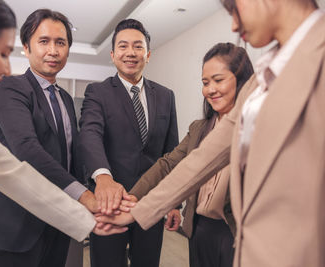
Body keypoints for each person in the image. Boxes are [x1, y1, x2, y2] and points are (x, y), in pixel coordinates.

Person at [97, 0, 325, 266]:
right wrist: (136, 210)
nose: (234, 25)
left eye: (234, 9)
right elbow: (199, 160)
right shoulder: (260, 80)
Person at [0, 1, 126, 266]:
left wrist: (88, 218)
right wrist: (86, 200)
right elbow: (27, 151)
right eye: (2, 54)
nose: (7, 70)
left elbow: (18, 178)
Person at [0, 9, 100, 267]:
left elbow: (72, 155)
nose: (53, 51)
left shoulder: (66, 99)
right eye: (44, 41)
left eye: (61, 43)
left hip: (57, 221)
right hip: (16, 228)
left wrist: (97, 185)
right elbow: (27, 149)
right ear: (26, 47)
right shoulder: (11, 88)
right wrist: (83, 196)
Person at [128, 42, 253, 267]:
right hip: (199, 229)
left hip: (235, 232)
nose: (210, 89)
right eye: (205, 83)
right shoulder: (199, 128)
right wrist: (132, 198)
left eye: (218, 80)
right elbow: (168, 164)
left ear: (241, 80)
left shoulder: (256, 128)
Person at [78, 19, 179, 267]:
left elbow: (172, 152)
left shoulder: (165, 95)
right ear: (113, 55)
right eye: (123, 46)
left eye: (137, 46)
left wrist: (175, 202)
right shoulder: (97, 92)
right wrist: (103, 178)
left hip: (150, 203)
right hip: (110, 203)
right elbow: (90, 134)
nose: (131, 53)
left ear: (148, 54)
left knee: (148, 262)